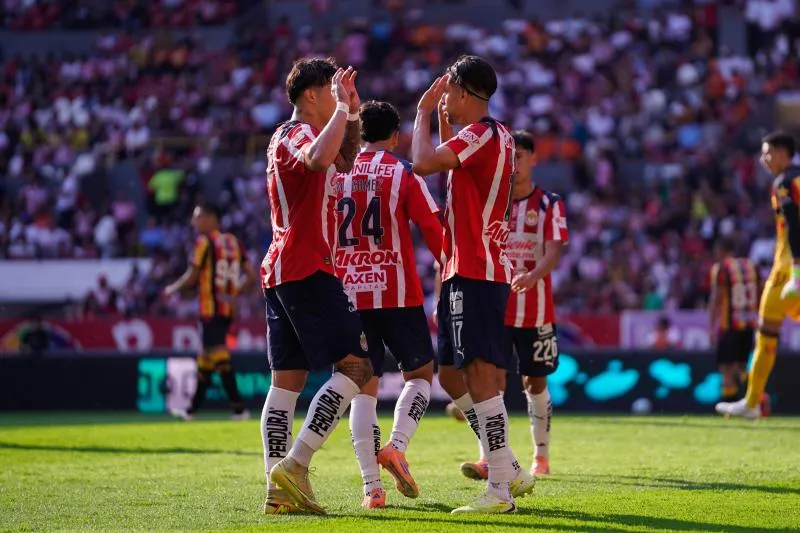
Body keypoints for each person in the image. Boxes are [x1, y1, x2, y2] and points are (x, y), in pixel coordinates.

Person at [411, 55, 535, 514]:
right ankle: (509, 466)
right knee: (450, 375)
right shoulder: (497, 135)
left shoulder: (481, 135)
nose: (444, 97)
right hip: (465, 269)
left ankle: (500, 489)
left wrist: (423, 112)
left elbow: (422, 162)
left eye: (448, 91)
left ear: (463, 92)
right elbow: (452, 164)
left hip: (476, 270)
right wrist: (445, 120)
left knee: (479, 374)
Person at [260, 58, 372, 516]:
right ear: (312, 94)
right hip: (306, 267)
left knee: (287, 382)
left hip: (286, 269)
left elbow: (343, 159)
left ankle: (278, 491)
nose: (336, 97)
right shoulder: (295, 134)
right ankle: (296, 464)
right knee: (357, 368)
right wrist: (343, 111)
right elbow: (319, 159)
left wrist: (352, 113)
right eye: (331, 90)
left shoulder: (300, 135)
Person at [333, 100, 443, 509]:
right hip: (397, 291)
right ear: (395, 136)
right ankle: (396, 445)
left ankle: (372, 489)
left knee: (362, 387)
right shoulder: (402, 172)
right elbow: (432, 228)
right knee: (420, 375)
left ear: (359, 133)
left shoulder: (337, 173)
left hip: (348, 295)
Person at [457, 130, 567, 481]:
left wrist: (533, 275)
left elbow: (554, 252)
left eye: (520, 156)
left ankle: (541, 455)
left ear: (533, 158)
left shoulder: (549, 203)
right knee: (492, 382)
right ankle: (488, 457)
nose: (514, 163)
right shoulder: (493, 201)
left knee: (535, 383)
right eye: (510, 156)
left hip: (536, 310)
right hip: (496, 307)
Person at [717, 131, 800, 420]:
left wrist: (797, 270)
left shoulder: (784, 182)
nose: (763, 159)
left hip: (787, 270)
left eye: (767, 152)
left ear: (782, 153)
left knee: (766, 333)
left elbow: (793, 222)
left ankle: (752, 402)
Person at [164, 203, 256, 421]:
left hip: (209, 308)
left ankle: (239, 409)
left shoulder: (204, 242)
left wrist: (172, 289)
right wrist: (233, 293)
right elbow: (251, 275)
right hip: (228, 309)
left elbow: (192, 275)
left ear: (211, 218)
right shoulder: (234, 242)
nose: (194, 222)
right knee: (206, 359)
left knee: (219, 355)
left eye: (198, 217)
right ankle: (191, 411)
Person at [708, 239, 760, 402]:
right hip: (749, 326)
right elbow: (761, 292)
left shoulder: (722, 268)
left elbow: (716, 298)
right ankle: (754, 398)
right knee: (741, 367)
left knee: (726, 369)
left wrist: (711, 327)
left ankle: (729, 406)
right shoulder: (752, 266)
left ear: (721, 250)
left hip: (729, 326)